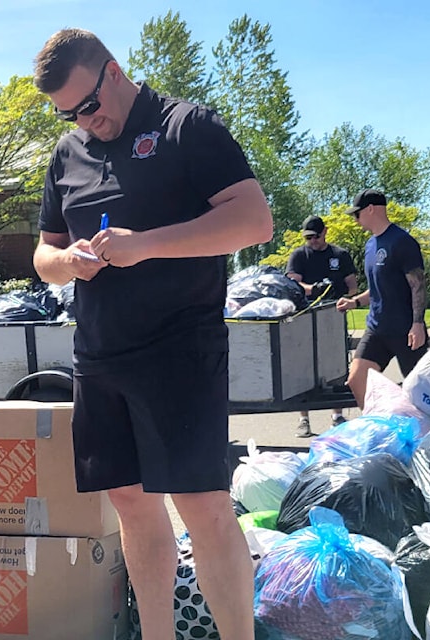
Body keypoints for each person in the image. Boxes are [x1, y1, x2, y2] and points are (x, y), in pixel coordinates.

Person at [31, 29, 272, 640]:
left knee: (204, 508)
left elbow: (253, 220)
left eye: (89, 104)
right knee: (132, 508)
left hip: (179, 352)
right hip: (100, 354)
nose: (87, 121)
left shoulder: (186, 126)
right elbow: (43, 255)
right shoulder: (68, 153)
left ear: (112, 71)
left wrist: (145, 247)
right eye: (69, 114)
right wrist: (70, 263)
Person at [336, 189, 428, 407]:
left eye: (356, 214)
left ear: (370, 209)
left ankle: (426, 436)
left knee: (419, 392)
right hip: (377, 329)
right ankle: (377, 427)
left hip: (405, 331)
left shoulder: (402, 241)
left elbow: (418, 285)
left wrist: (417, 324)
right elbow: (377, 288)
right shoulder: (370, 245)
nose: (355, 219)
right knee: (356, 380)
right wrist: (355, 301)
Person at [285, 214, 358, 437]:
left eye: (316, 236)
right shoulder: (299, 255)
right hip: (306, 313)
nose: (313, 241)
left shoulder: (340, 255)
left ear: (325, 232)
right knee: (302, 366)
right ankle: (303, 420)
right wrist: (312, 288)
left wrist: (343, 294)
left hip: (333, 312)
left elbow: (352, 285)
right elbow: (292, 282)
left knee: (334, 364)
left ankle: (336, 416)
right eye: (308, 237)